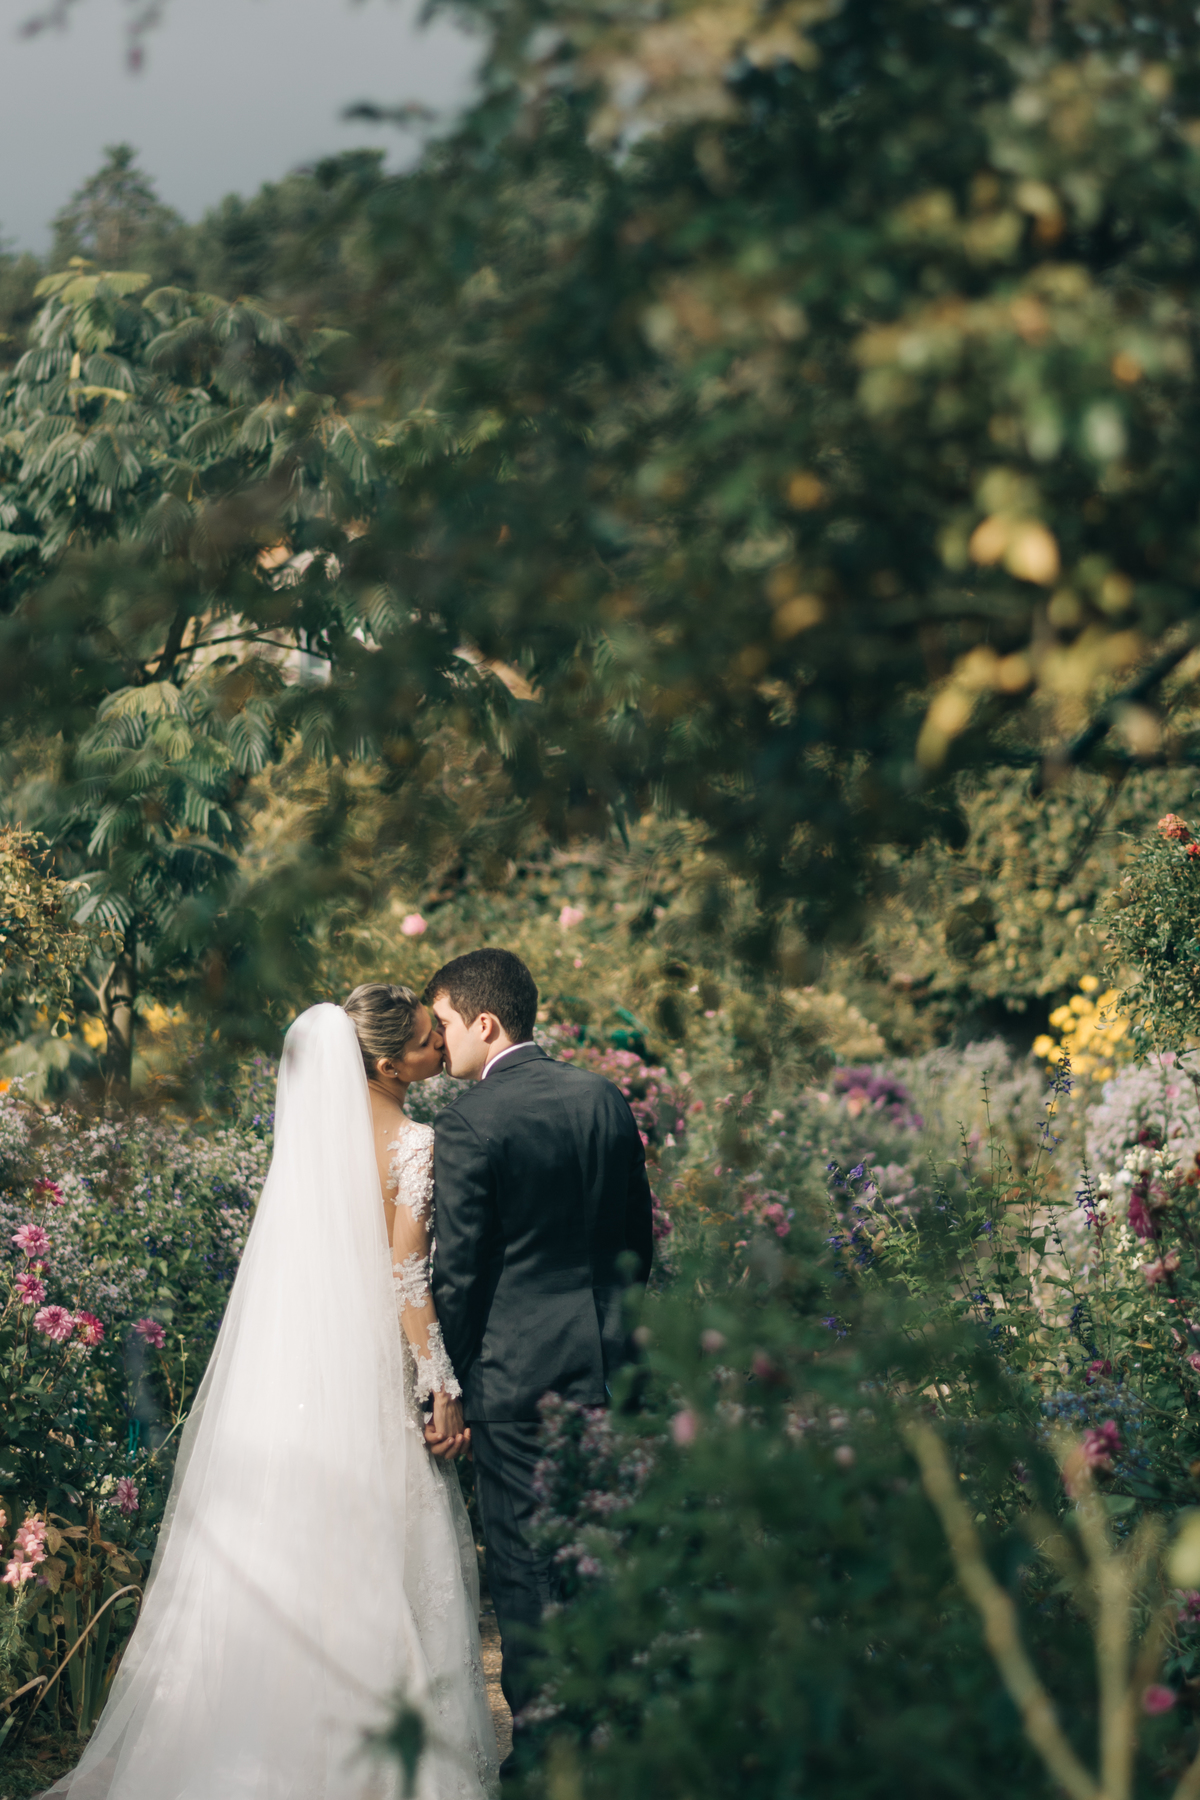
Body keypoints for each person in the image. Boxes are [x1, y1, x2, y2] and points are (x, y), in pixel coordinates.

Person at [47, 993, 497, 1800]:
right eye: (427, 1040)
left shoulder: (309, 1148)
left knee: (293, 1555)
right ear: (388, 1065)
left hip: (302, 1378)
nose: (439, 1045)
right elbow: (406, 1277)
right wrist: (442, 1387)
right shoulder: (416, 1143)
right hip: (374, 1380)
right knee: (381, 1557)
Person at [427, 949, 654, 1780]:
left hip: (516, 1376)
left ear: (485, 1023)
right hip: (609, 1365)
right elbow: (636, 1242)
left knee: (526, 1570)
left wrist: (446, 1381)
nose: (440, 1042)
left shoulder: (470, 1122)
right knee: (601, 1556)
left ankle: (545, 1765)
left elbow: (458, 1275)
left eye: (445, 1024)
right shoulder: (603, 1097)